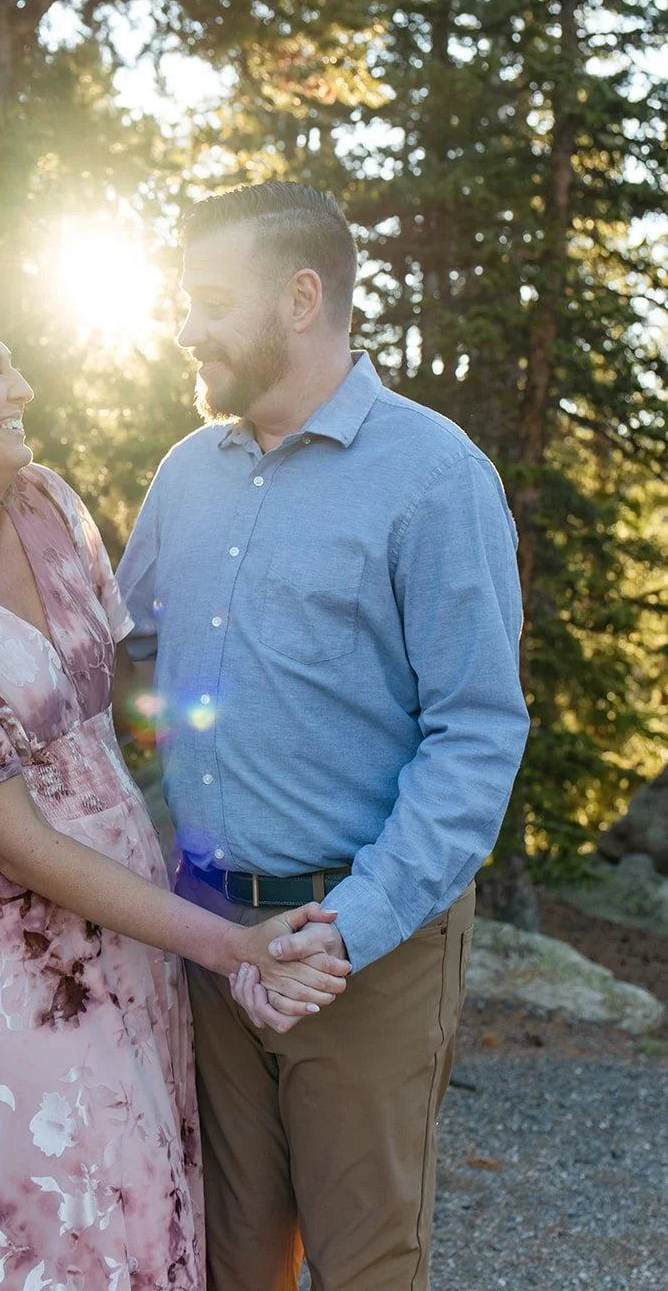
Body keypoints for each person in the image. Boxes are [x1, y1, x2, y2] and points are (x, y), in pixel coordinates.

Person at [0, 293, 349, 1291]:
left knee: (145, 1191)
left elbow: (131, 682)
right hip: (12, 952)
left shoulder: (46, 504)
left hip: (131, 907)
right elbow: (20, 845)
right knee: (58, 1215)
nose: (23, 388)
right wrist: (227, 942)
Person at [115, 183, 531, 1291]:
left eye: (209, 299)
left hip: (362, 948)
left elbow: (476, 732)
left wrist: (346, 928)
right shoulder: (182, 474)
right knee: (227, 1262)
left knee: (363, 1268)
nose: (187, 327)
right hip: (206, 937)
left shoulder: (435, 477)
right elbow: (119, 661)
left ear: (301, 298)